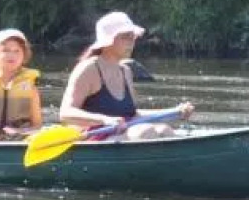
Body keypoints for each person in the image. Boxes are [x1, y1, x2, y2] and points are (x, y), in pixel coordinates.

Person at [58, 12, 192, 140]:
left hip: (123, 133)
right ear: (108, 40)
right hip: (94, 135)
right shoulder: (88, 69)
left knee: (164, 130)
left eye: (132, 36)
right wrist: (105, 120)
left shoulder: (126, 71)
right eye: (125, 37)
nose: (131, 42)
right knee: (145, 133)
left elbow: (133, 115)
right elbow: (65, 113)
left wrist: (174, 112)